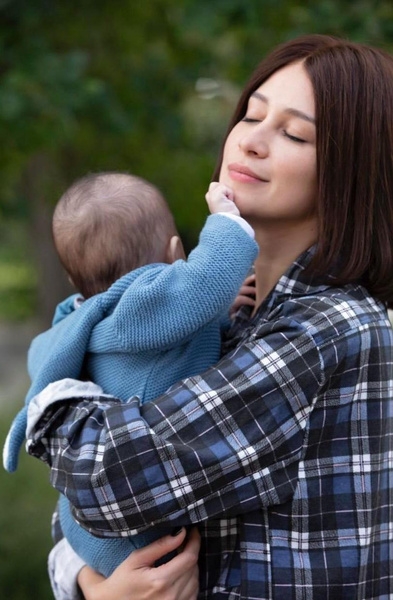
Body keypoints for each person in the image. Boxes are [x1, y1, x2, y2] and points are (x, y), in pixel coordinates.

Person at [26, 33, 393, 600]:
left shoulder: (329, 328)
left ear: (353, 172)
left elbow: (106, 480)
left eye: (294, 133)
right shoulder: (229, 320)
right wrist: (91, 585)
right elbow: (77, 512)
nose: (251, 142)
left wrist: (50, 392)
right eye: (250, 115)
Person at [3, 171, 258, 580]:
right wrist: (227, 222)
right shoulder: (145, 302)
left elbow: (177, 332)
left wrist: (221, 313)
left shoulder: (91, 322)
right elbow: (202, 284)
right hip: (145, 537)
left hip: (90, 537)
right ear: (175, 252)